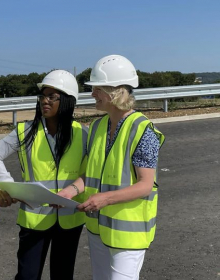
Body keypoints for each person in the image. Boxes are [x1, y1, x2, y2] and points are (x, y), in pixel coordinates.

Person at [57, 55, 165, 280]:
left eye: (97, 88)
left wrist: (104, 199)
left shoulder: (142, 130)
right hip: (98, 228)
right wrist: (70, 192)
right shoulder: (97, 127)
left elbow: (145, 185)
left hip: (128, 234)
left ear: (114, 91)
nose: (92, 94)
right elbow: (91, 175)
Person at [0, 70, 88, 280]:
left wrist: (75, 189)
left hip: (70, 219)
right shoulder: (25, 131)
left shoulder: (83, 133)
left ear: (68, 101)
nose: (45, 101)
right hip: (34, 219)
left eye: (52, 97)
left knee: (63, 275)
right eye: (43, 96)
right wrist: (8, 185)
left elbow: (93, 171)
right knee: (27, 276)